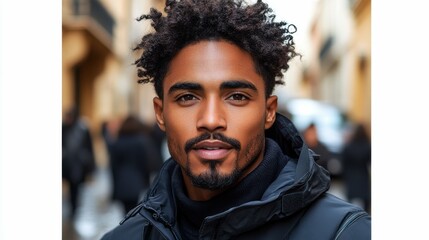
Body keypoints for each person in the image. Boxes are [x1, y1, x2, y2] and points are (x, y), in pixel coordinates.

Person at [102, 0, 371, 239]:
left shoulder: (348, 232)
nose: (210, 120)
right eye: (187, 97)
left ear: (269, 112)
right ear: (160, 113)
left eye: (237, 97)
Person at [109, 115, 162, 213]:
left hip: (122, 182)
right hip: (138, 181)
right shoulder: (142, 141)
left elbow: (113, 166)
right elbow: (148, 162)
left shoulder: (118, 142)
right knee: (135, 211)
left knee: (126, 212)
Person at [62, 107, 96, 219]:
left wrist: (91, 167)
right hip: (67, 164)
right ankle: (73, 208)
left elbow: (89, 148)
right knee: (71, 187)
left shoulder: (82, 129)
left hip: (78, 165)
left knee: (75, 188)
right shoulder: (64, 128)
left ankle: (74, 209)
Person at [341, 123, 371, 213]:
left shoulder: (348, 147)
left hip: (351, 177)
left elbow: (343, 162)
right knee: (366, 203)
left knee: (349, 202)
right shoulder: (368, 147)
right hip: (363, 177)